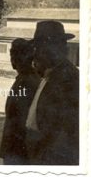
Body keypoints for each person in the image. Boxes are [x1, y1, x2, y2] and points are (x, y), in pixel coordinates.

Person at [25, 20, 79, 165]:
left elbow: (65, 134)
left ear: (54, 48)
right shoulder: (48, 74)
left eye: (39, 47)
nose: (35, 52)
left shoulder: (68, 79)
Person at [0, 38, 40, 165]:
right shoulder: (25, 78)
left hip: (19, 150)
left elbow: (24, 121)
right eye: (12, 54)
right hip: (15, 148)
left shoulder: (27, 82)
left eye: (15, 55)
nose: (12, 59)